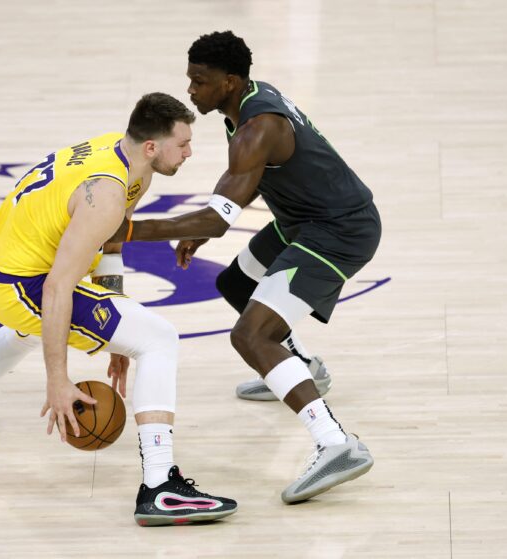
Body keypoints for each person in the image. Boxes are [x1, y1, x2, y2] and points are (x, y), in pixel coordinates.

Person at [0, 92, 237, 526]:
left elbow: (111, 241)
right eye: (184, 144)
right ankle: (160, 488)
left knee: (40, 328)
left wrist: (118, 329)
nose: (190, 152)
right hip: (18, 283)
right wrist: (57, 379)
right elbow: (58, 287)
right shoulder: (107, 192)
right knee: (158, 339)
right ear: (152, 146)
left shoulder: (124, 158)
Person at [111, 31, 381, 504]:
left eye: (200, 81)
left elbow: (221, 214)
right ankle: (303, 368)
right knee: (236, 282)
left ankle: (335, 443)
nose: (191, 91)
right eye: (190, 79)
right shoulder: (244, 107)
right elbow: (245, 176)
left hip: (338, 231)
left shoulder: (259, 126)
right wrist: (202, 224)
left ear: (229, 82)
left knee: (251, 336)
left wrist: (129, 229)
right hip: (301, 221)